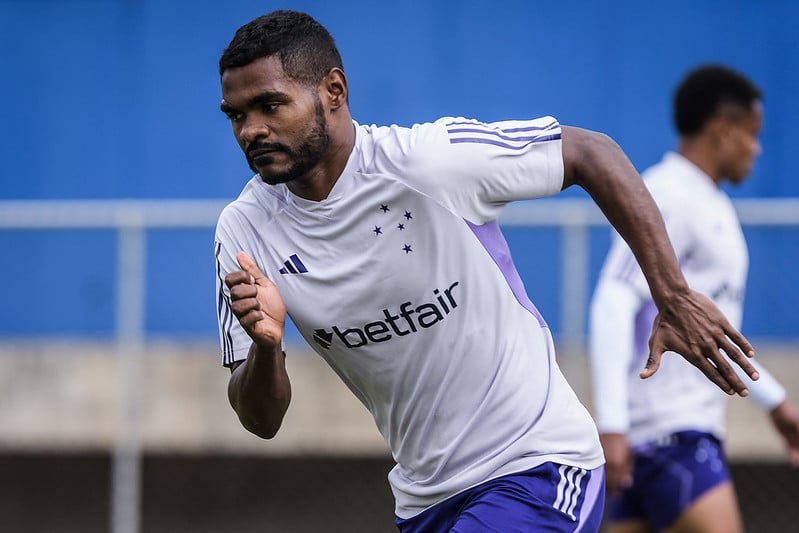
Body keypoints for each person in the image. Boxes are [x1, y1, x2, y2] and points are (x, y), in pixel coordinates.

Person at [213, 12, 758, 532]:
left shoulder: (427, 162)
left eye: (270, 105)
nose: (251, 131)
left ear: (333, 90)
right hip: (425, 500)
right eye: (237, 115)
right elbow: (260, 419)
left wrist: (672, 294)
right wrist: (266, 346)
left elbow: (590, 152)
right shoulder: (244, 233)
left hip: (539, 465)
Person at [589, 64, 799, 533]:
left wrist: (776, 404)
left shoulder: (711, 202)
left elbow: (711, 333)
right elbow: (612, 301)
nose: (757, 148)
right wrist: (612, 425)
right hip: (672, 436)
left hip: (662, 439)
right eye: (751, 134)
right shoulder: (667, 193)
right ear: (723, 130)